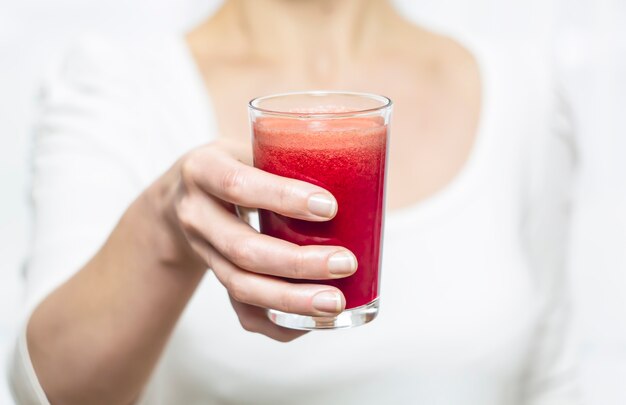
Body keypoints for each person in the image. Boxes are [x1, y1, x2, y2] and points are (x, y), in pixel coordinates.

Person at [9, 0, 581, 404]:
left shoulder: (522, 91)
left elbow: (551, 383)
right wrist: (164, 228)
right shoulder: (116, 85)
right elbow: (50, 392)